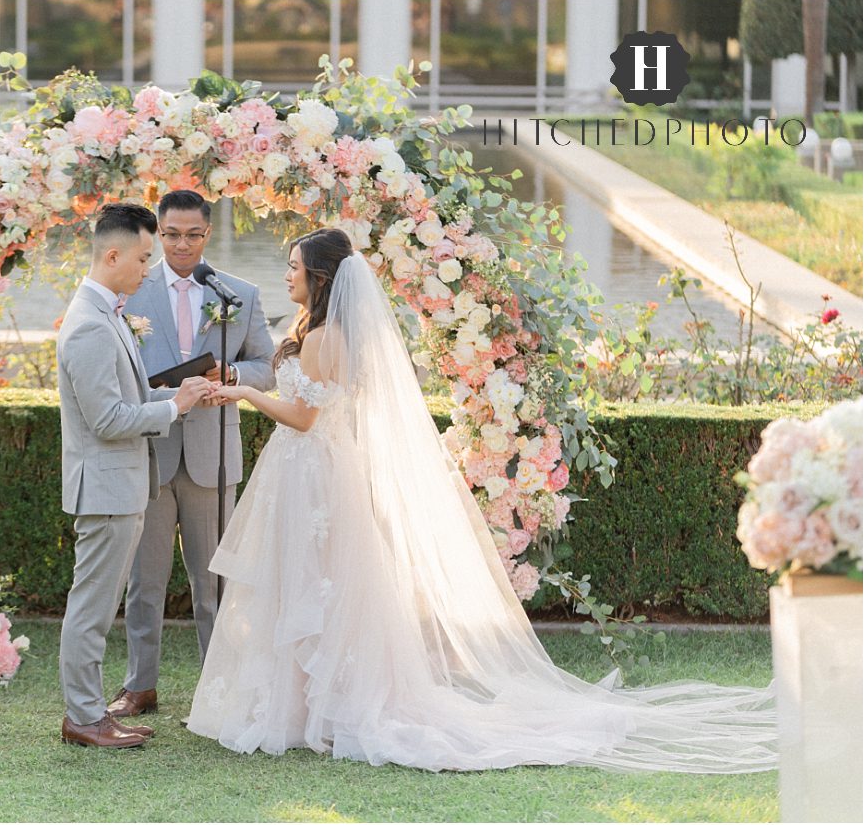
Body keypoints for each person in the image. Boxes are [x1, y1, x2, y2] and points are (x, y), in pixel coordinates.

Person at [186, 228, 777, 773]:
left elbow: (305, 417)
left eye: (293, 268)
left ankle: (305, 707)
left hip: (310, 470)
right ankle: (308, 704)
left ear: (319, 278)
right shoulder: (327, 334)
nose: (285, 275)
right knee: (322, 583)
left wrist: (241, 395)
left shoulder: (320, 337)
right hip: (319, 472)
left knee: (313, 581)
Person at [110, 190, 276, 720]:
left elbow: (267, 367)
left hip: (213, 455)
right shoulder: (128, 290)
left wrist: (230, 375)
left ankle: (220, 689)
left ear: (208, 234)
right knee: (144, 582)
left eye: (194, 235)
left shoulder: (238, 293)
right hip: (151, 452)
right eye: (172, 234)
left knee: (215, 585)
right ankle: (141, 686)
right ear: (158, 232)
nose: (182, 244)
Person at [56, 202, 215, 748]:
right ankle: (83, 718)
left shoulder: (106, 313)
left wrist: (179, 396)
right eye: (144, 257)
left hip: (118, 485)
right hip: (105, 486)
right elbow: (107, 419)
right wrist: (174, 411)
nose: (149, 269)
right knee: (92, 608)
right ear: (114, 254)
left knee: (97, 606)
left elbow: (132, 396)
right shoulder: (90, 326)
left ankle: (91, 712)